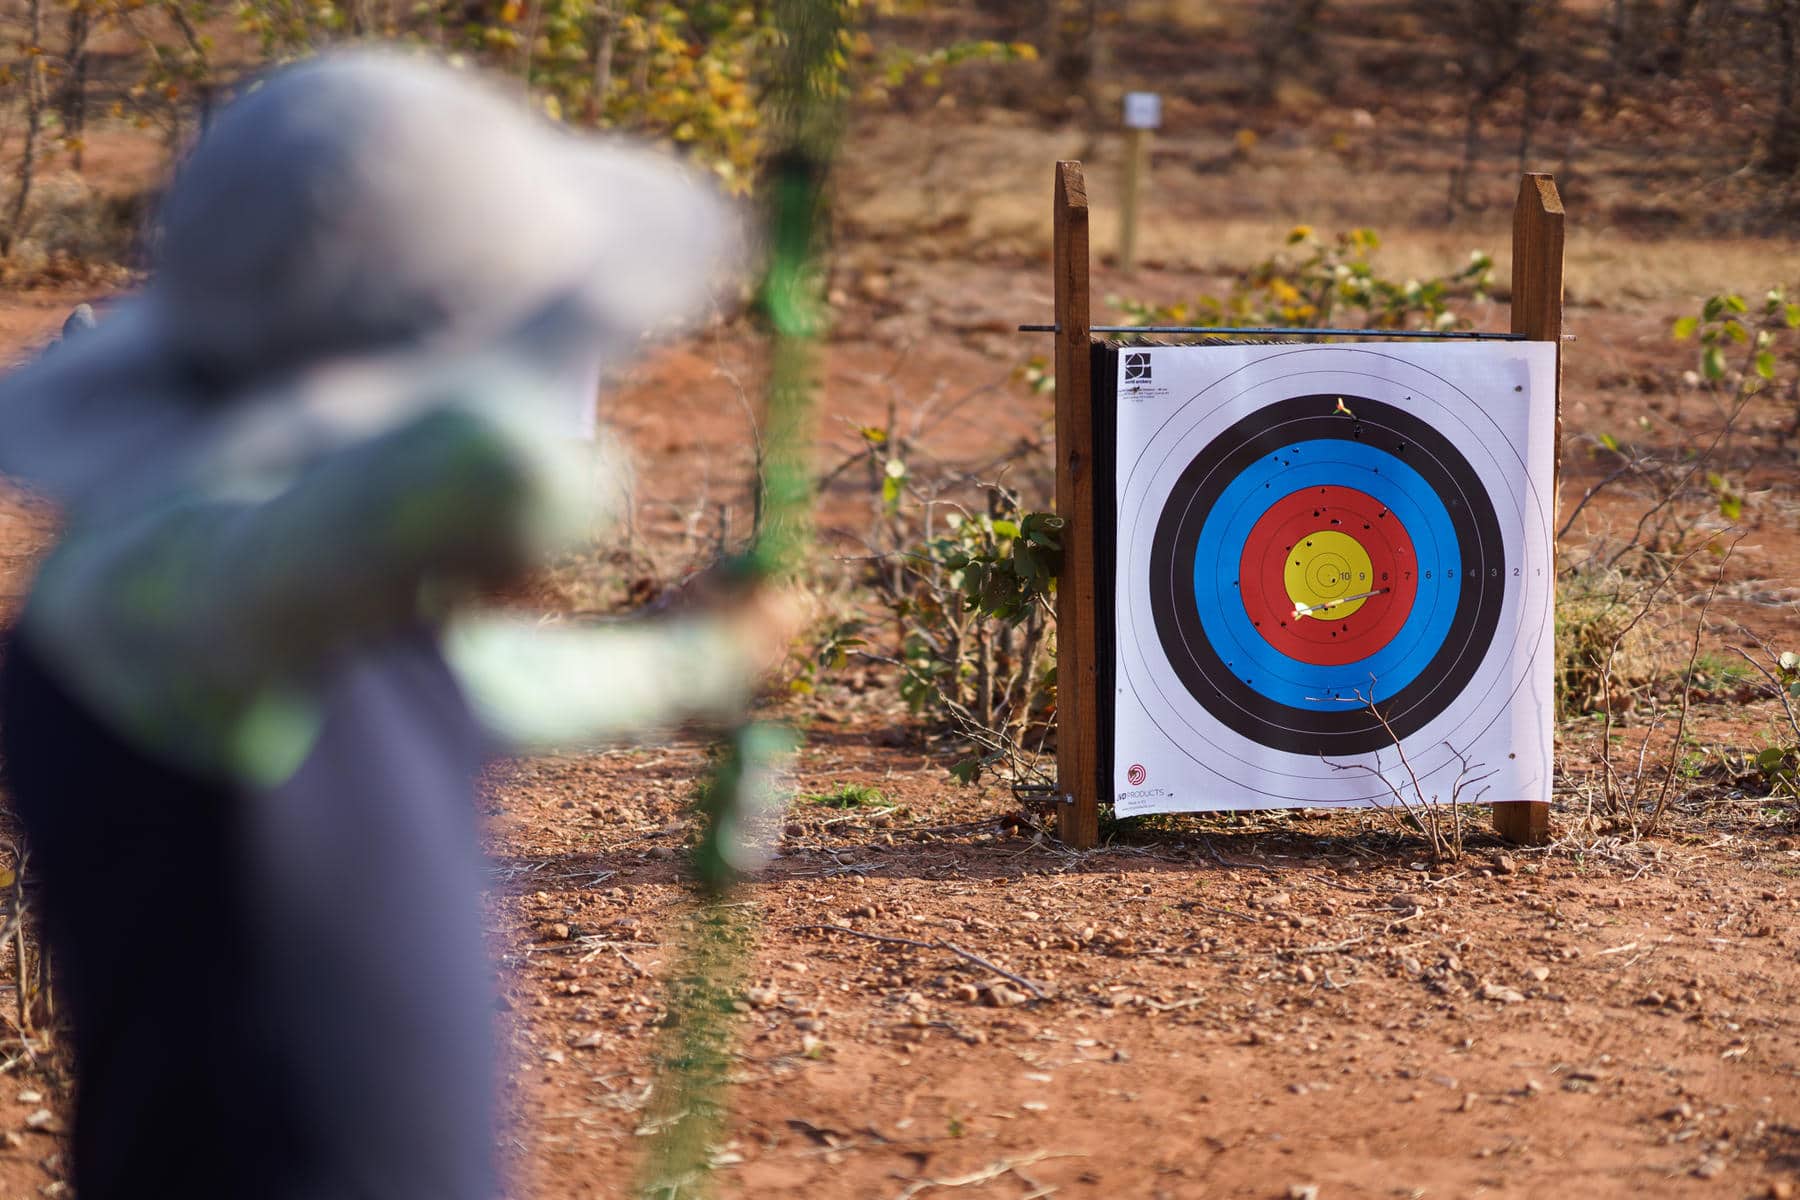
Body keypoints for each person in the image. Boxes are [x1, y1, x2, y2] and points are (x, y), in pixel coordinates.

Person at [0, 50, 795, 1199]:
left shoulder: (298, 611)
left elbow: (475, 681)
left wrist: (695, 659)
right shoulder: (145, 595)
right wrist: (505, 356)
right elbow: (511, 473)